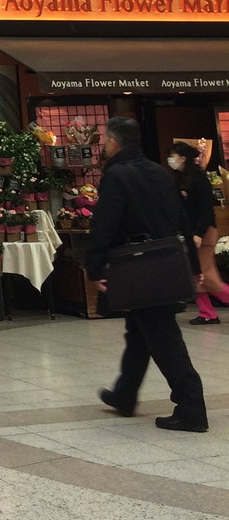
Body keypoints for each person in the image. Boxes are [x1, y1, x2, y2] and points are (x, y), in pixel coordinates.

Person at [89, 118, 207, 431]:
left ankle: (192, 408)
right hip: (166, 264)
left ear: (114, 141)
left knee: (164, 338)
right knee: (140, 333)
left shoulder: (116, 175)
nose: (105, 145)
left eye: (106, 140)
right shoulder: (159, 172)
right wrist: (193, 266)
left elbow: (104, 223)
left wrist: (94, 266)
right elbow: (182, 221)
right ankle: (125, 395)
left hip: (138, 268)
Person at [166, 141, 229, 324]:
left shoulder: (198, 178)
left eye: (173, 156)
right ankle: (207, 313)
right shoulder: (180, 178)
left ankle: (209, 311)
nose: (171, 160)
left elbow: (206, 209)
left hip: (203, 233)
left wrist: (199, 233)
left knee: (204, 275)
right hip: (190, 233)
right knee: (196, 274)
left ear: (182, 158)